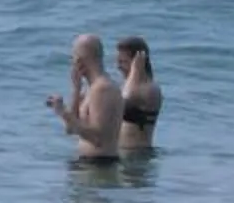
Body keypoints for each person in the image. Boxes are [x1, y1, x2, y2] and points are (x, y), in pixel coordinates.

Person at [46, 33, 124, 162]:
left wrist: (63, 111)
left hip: (99, 166)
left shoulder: (103, 89)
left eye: (73, 58)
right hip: (86, 164)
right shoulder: (91, 89)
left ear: (79, 61)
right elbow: (71, 129)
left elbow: (98, 138)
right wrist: (76, 91)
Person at [115, 36, 162, 150]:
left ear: (137, 61)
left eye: (123, 62)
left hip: (137, 155)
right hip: (123, 153)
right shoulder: (129, 86)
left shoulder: (149, 89)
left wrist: (135, 71)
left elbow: (123, 101)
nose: (118, 67)